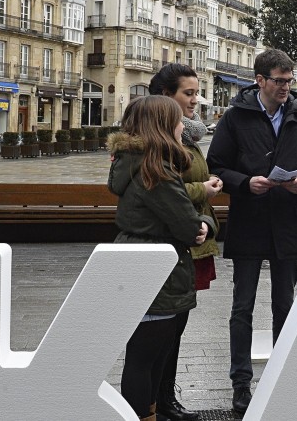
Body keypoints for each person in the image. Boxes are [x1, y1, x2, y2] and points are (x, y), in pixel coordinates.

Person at [206, 49, 297, 414]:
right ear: (259, 80)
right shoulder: (236, 116)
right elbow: (216, 166)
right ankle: (241, 383)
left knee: (285, 305)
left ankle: (283, 378)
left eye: (289, 81)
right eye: (279, 81)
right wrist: (246, 183)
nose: (285, 87)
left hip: (289, 221)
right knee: (242, 306)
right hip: (249, 219)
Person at [108, 96, 215, 421]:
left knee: (144, 356)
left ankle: (148, 413)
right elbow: (188, 226)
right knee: (146, 359)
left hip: (139, 262)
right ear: (164, 127)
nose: (183, 126)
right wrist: (206, 223)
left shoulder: (132, 162)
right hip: (158, 272)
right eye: (177, 120)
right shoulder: (157, 171)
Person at [149, 64, 224, 421]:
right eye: (188, 93)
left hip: (193, 239)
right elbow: (163, 190)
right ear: (166, 95)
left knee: (177, 325)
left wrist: (206, 190)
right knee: (166, 328)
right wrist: (203, 189)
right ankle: (157, 402)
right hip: (176, 242)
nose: (195, 100)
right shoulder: (161, 139)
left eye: (197, 93)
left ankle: (166, 397)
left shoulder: (187, 135)